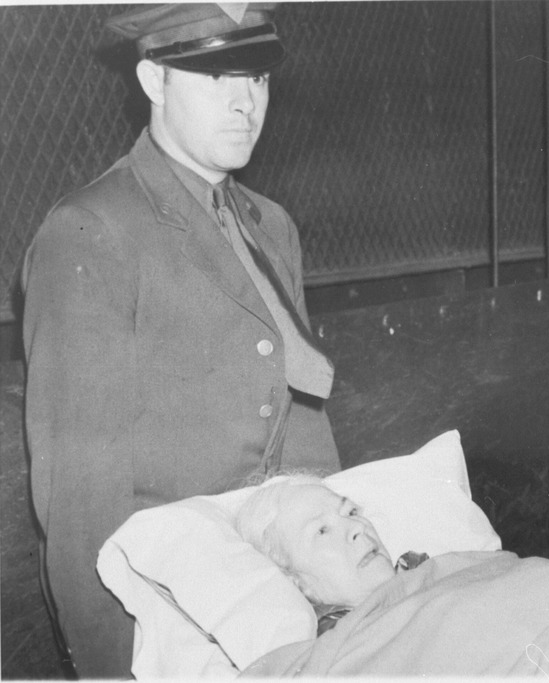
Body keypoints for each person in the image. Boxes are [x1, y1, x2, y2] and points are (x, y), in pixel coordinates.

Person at [20, 4, 341, 677]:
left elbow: (306, 431)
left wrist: (342, 610)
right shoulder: (91, 231)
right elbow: (82, 506)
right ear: (153, 80)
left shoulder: (272, 227)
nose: (245, 102)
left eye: (257, 77)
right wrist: (114, 668)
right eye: (216, 75)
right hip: (171, 621)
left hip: (282, 608)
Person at [235, 476, 426, 634]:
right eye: (322, 531)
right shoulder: (336, 655)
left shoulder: (431, 571)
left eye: (351, 512)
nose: (358, 526)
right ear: (296, 583)